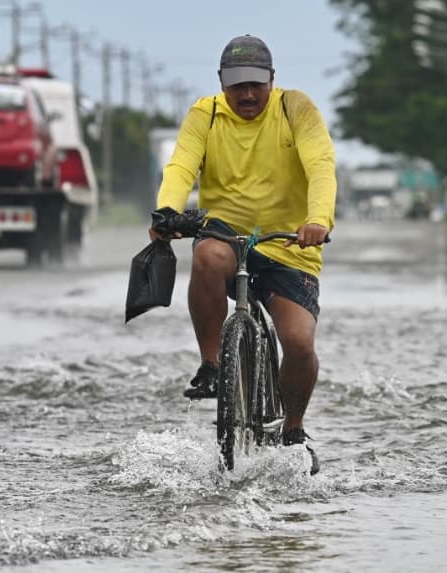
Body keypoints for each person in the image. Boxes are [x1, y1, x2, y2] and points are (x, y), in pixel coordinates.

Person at [149, 34, 336, 475]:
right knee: (208, 257)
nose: (247, 94)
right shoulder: (206, 114)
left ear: (272, 80)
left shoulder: (296, 109)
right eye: (237, 85)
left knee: (298, 342)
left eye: (256, 84)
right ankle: (213, 363)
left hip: (289, 241)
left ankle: (293, 428)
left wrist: (318, 220)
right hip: (226, 231)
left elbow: (321, 166)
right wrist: (168, 212)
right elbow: (180, 166)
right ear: (221, 83)